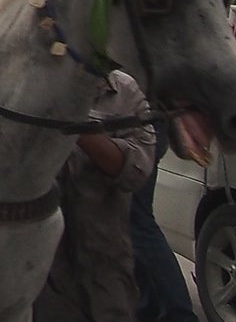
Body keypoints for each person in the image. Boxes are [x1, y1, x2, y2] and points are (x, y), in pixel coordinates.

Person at [33, 70, 155, 322]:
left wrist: (80, 128)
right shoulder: (29, 83)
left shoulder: (125, 91)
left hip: (106, 261)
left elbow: (137, 171)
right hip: (41, 268)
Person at [132, 122, 197, 322]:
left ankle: (178, 315)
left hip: (138, 125)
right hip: (144, 124)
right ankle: (147, 308)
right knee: (134, 225)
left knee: (137, 224)